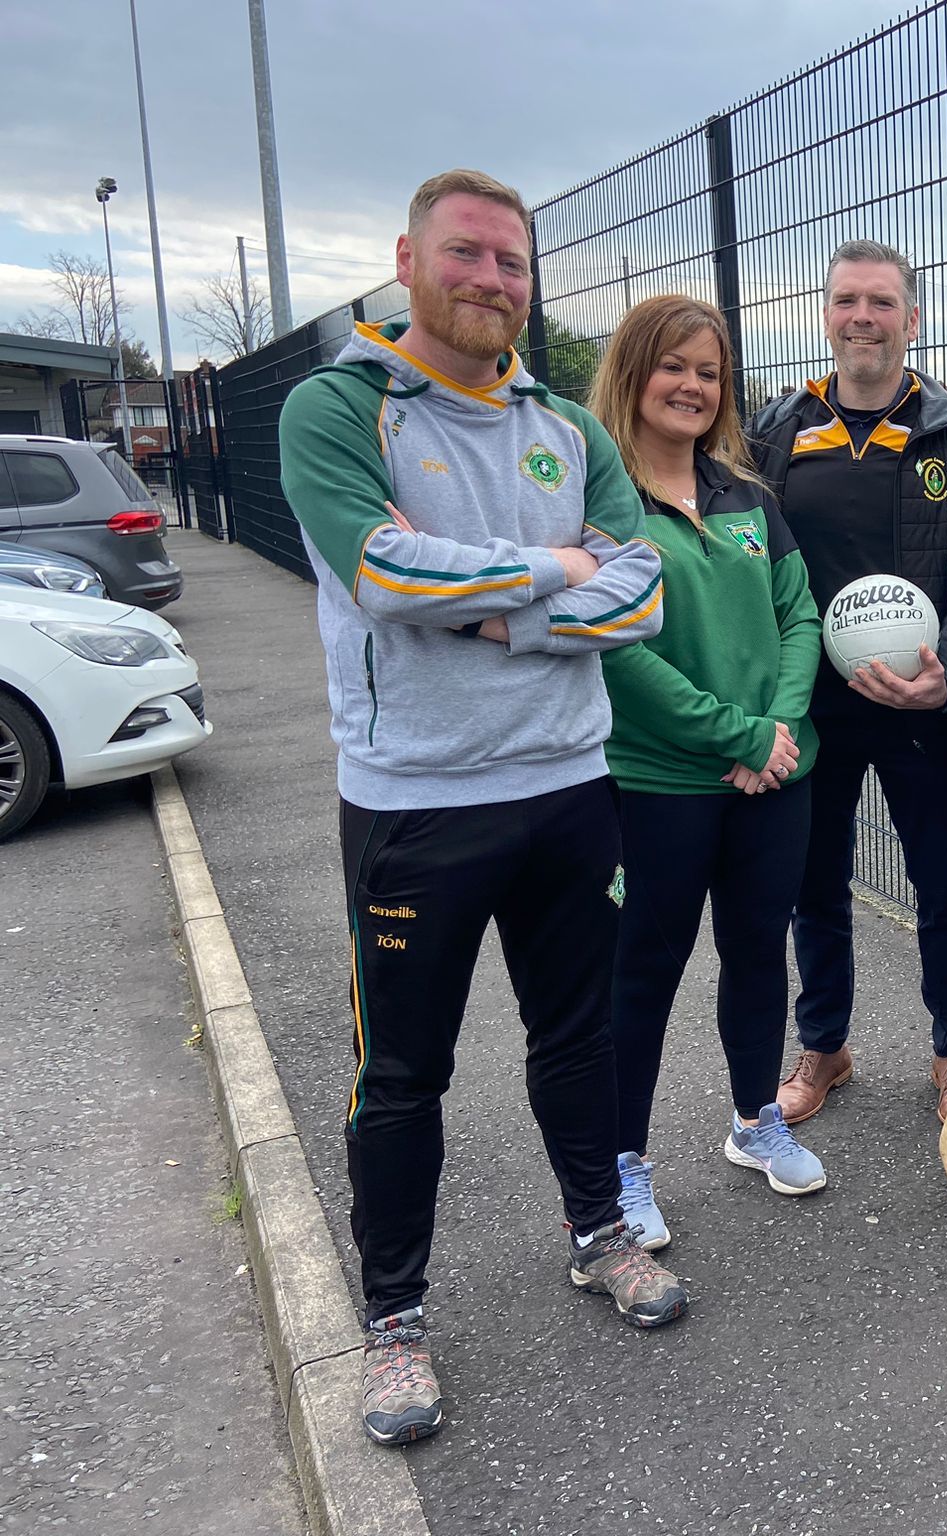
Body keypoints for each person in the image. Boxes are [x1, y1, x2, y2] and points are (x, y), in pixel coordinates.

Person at [278, 169, 688, 1448]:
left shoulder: (571, 427)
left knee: (577, 1041)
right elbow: (380, 571)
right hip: (415, 805)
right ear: (408, 258)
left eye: (510, 263)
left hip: (569, 789)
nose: (489, 282)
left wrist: (494, 603)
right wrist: (551, 580)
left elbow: (641, 598)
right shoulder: (333, 409)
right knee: (402, 1073)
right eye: (465, 255)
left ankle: (596, 1234)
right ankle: (393, 1321)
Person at [590, 294, 828, 1240]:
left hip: (773, 777)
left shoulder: (748, 496)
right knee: (641, 969)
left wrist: (776, 730)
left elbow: (800, 616)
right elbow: (611, 646)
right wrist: (733, 735)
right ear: (634, 372)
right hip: (656, 783)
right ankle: (622, 1165)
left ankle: (755, 1120)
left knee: (757, 952)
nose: (692, 385)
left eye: (710, 371)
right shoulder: (600, 504)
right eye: (674, 366)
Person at [748, 239, 947, 1126]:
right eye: (847, 301)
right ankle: (825, 1046)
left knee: (940, 885)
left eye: (881, 303)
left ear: (911, 319)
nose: (862, 318)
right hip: (814, 700)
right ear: (826, 315)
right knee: (816, 882)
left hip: (921, 706)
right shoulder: (776, 432)